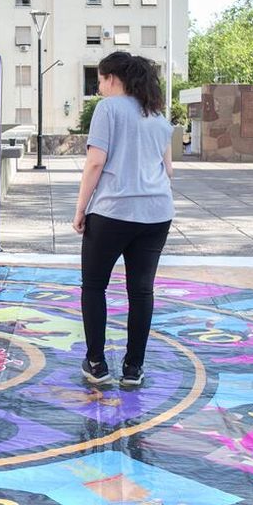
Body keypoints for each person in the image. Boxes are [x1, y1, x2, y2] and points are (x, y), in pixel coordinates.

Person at [73, 52, 174, 387]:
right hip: (157, 213)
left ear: (112, 78)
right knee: (141, 291)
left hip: (113, 211)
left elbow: (95, 163)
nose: (99, 87)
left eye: (100, 80)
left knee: (94, 285)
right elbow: (168, 170)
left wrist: (81, 209)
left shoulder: (108, 109)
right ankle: (133, 368)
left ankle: (97, 363)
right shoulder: (158, 114)